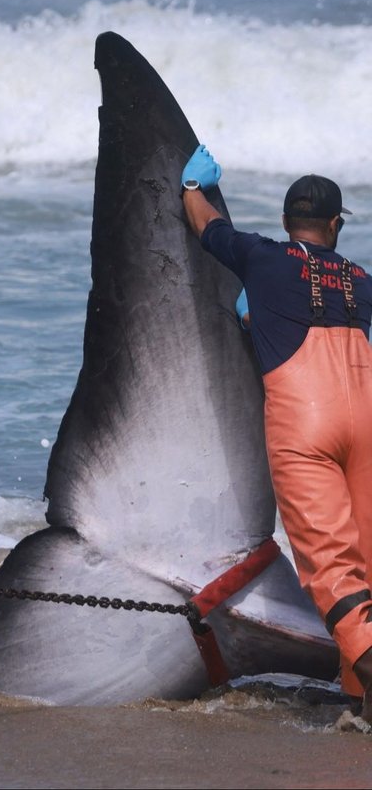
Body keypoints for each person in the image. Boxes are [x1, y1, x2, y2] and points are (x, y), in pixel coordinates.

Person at [180, 144, 372, 721]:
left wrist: (194, 189)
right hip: (365, 416)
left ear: (289, 222)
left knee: (333, 565)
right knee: (368, 556)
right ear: (336, 224)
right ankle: (359, 701)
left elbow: (209, 230)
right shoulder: (363, 280)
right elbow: (321, 306)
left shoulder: (263, 257)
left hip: (304, 422)